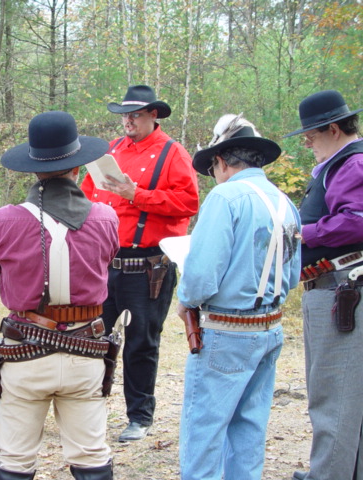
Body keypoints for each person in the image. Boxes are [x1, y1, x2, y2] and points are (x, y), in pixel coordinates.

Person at [0, 111, 120, 479]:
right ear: (77, 167)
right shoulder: (106, 217)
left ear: (33, 169)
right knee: (92, 455)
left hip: (25, 352)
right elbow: (108, 260)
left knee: (14, 458)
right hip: (86, 352)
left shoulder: (4, 219)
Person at [175, 114, 302, 480]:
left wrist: (185, 299)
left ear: (222, 161)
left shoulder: (225, 197)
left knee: (205, 431)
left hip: (228, 330)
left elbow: (200, 277)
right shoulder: (283, 202)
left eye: (212, 166)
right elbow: (291, 276)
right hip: (270, 328)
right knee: (249, 429)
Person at [81, 85, 199, 441]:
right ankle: (87, 411)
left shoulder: (173, 154)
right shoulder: (112, 151)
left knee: (140, 342)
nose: (128, 120)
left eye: (135, 114)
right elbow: (87, 196)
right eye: (124, 114)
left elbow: (188, 203)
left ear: (153, 116)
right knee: (90, 338)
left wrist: (138, 195)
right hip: (104, 263)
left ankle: (140, 416)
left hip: (149, 267)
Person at [284, 90, 363, 480]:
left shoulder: (351, 164)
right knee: (341, 397)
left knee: (334, 397)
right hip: (335, 288)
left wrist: (302, 232)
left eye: (312, 135)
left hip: (343, 289)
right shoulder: (340, 165)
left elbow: (357, 220)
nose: (308, 142)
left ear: (333, 129)